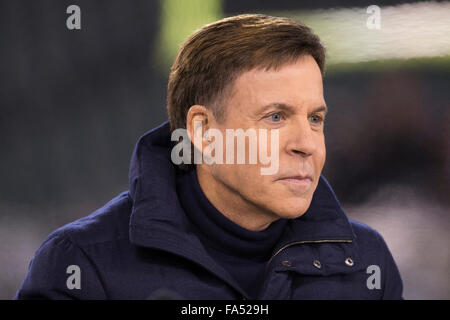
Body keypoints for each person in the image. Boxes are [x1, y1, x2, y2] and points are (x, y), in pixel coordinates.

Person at [15, 14, 403, 300]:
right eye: (275, 117)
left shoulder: (367, 262)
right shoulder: (82, 265)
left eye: (315, 118)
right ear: (202, 131)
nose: (307, 144)